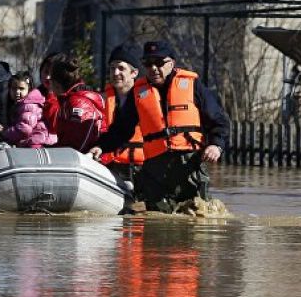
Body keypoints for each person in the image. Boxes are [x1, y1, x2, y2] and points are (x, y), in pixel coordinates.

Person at [88, 40, 230, 213]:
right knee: (157, 220)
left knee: (196, 217)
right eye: (148, 63)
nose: (153, 68)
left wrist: (216, 145)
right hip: (155, 169)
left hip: (188, 164)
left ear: (171, 63)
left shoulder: (192, 85)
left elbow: (219, 120)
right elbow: (121, 129)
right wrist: (101, 147)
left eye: (159, 62)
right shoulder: (138, 93)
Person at [100, 43, 145, 183]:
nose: (115, 73)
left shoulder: (146, 99)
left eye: (121, 68)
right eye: (112, 68)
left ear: (134, 73)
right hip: (109, 165)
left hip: (141, 166)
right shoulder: (102, 99)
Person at [50, 52, 106, 153]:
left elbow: (77, 146)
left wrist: (51, 151)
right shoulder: (68, 101)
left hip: (89, 164)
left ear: (56, 83)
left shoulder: (78, 103)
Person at [1, 72, 57, 148]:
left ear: (29, 89)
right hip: (34, 140)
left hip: (38, 142)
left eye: (21, 89)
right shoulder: (20, 105)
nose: (17, 92)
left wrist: (6, 132)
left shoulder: (29, 105)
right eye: (14, 88)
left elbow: (24, 130)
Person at [37, 52, 63, 135]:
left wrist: (51, 95)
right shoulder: (33, 95)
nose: (48, 77)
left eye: (52, 74)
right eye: (46, 72)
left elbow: (54, 126)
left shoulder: (66, 98)